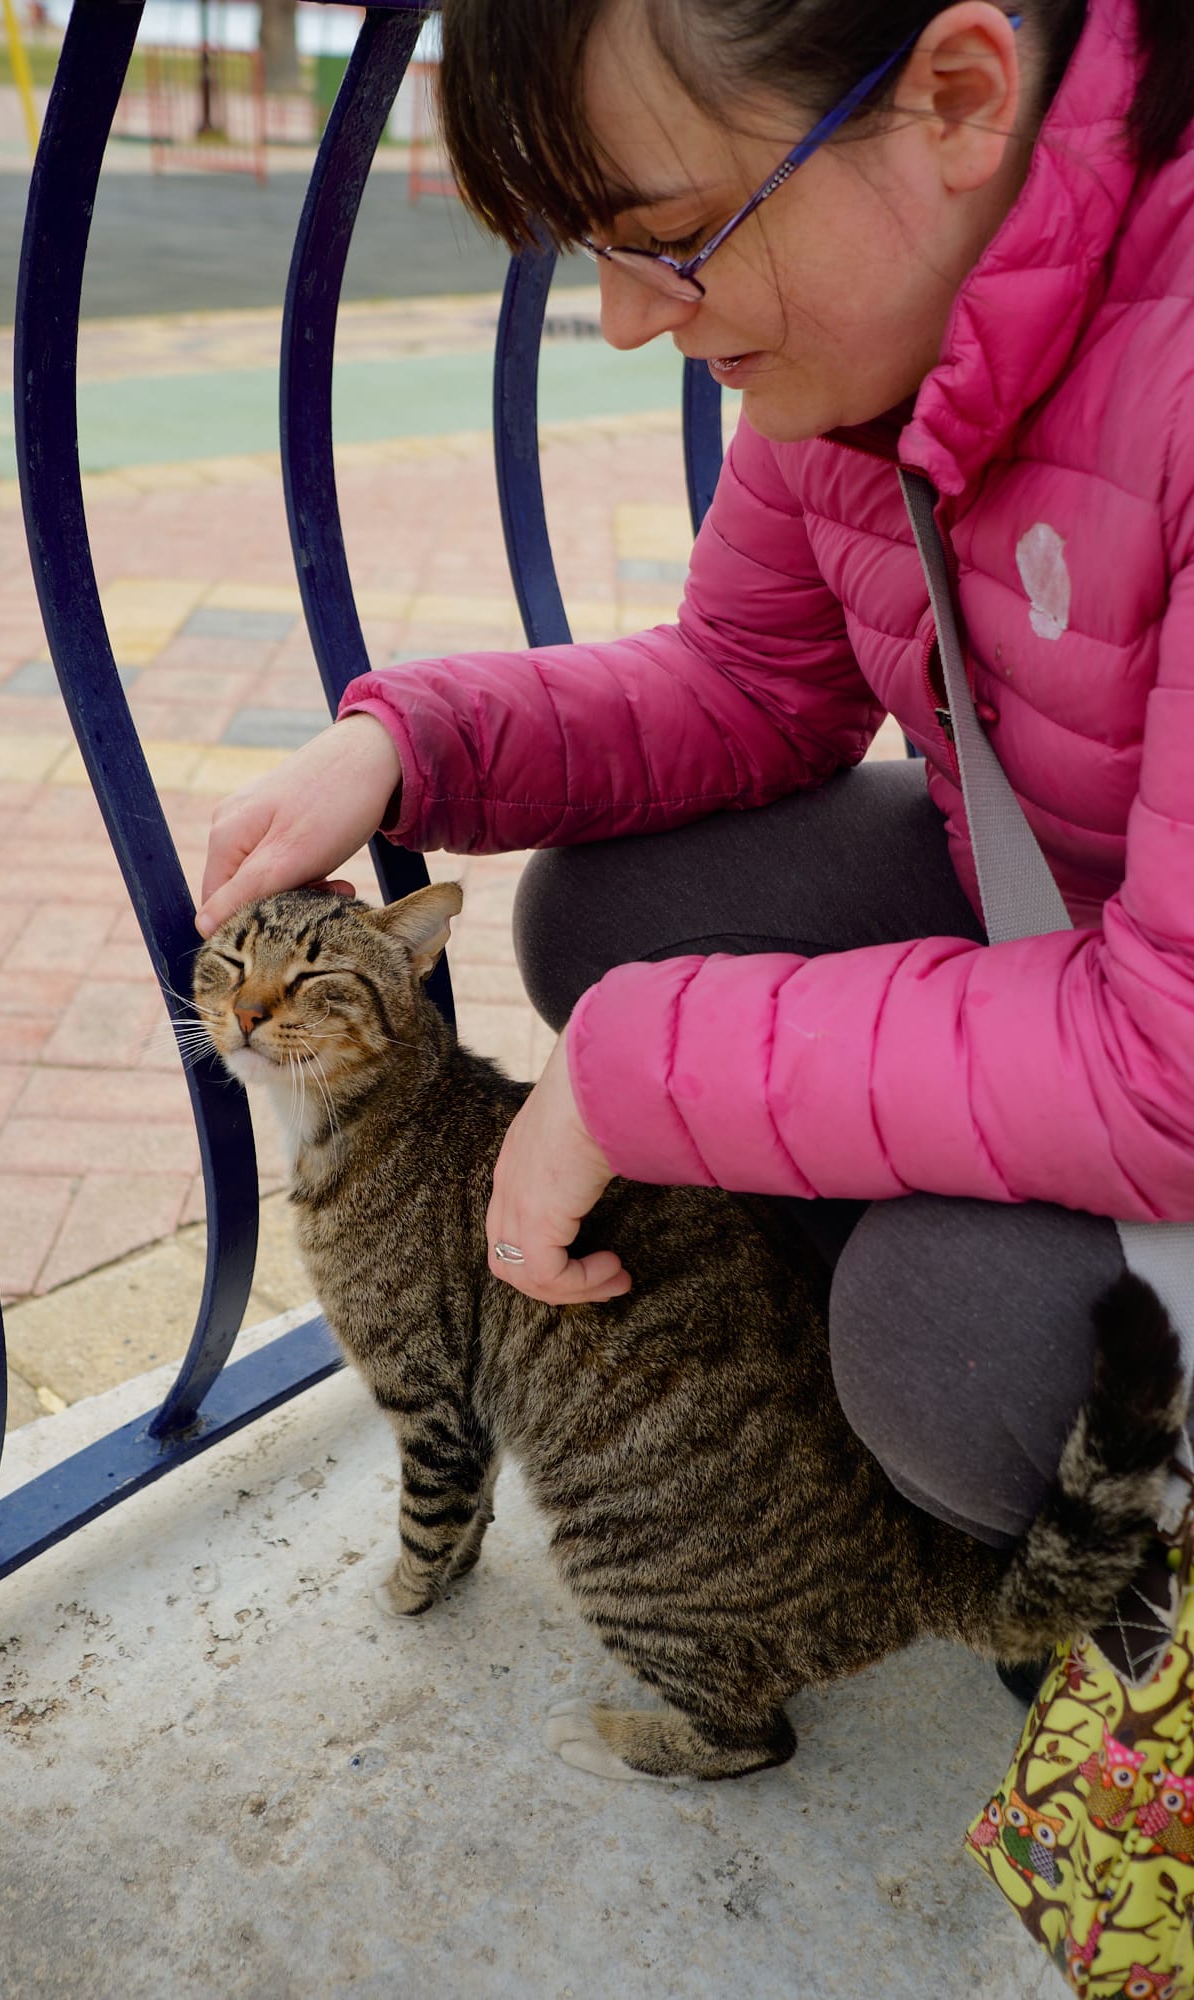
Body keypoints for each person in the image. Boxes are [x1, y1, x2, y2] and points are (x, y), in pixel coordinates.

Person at [197, 0, 1194, 1559]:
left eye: (665, 237)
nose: (620, 320)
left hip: (1165, 1023)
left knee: (956, 1350)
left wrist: (644, 1074)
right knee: (613, 912)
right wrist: (405, 748)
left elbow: (1175, 1055)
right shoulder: (865, 347)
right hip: (1076, 914)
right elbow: (745, 683)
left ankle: (1050, 1521)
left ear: (953, 99)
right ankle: (817, 1359)